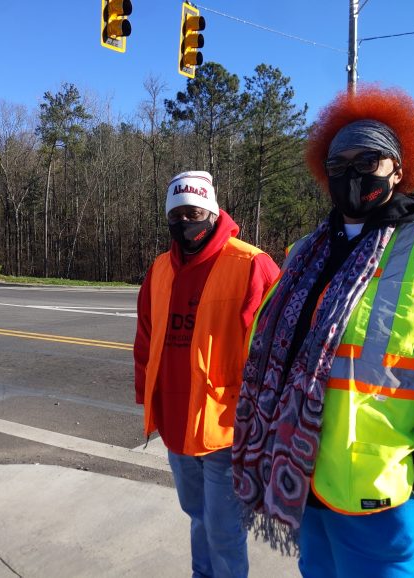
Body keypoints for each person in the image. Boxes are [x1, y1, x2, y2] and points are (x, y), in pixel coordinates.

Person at [232, 86, 414, 577]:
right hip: (304, 485)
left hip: (381, 498)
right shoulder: (304, 254)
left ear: (397, 169)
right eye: (339, 166)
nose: (352, 174)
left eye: (368, 161)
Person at [134, 170, 280, 578]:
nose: (186, 224)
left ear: (212, 212)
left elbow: (278, 353)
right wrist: (147, 398)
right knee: (197, 516)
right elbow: (146, 339)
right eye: (176, 216)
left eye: (194, 213)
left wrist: (268, 424)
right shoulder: (160, 269)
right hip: (177, 424)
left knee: (223, 528)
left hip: (226, 429)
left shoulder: (251, 264)